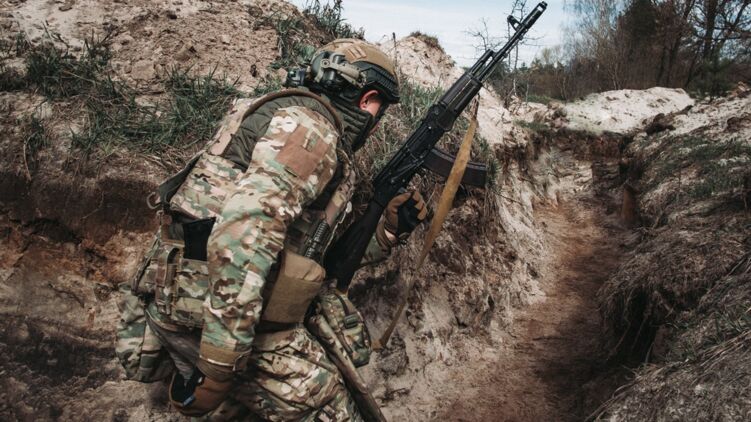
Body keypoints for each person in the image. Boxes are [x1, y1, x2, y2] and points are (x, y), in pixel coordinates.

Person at [115, 38, 428, 421]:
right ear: (367, 100)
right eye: (380, 107)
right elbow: (243, 236)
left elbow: (305, 251)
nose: (377, 122)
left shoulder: (275, 113)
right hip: (216, 317)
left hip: (188, 298)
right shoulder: (310, 132)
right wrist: (219, 361)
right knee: (330, 407)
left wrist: (386, 234)